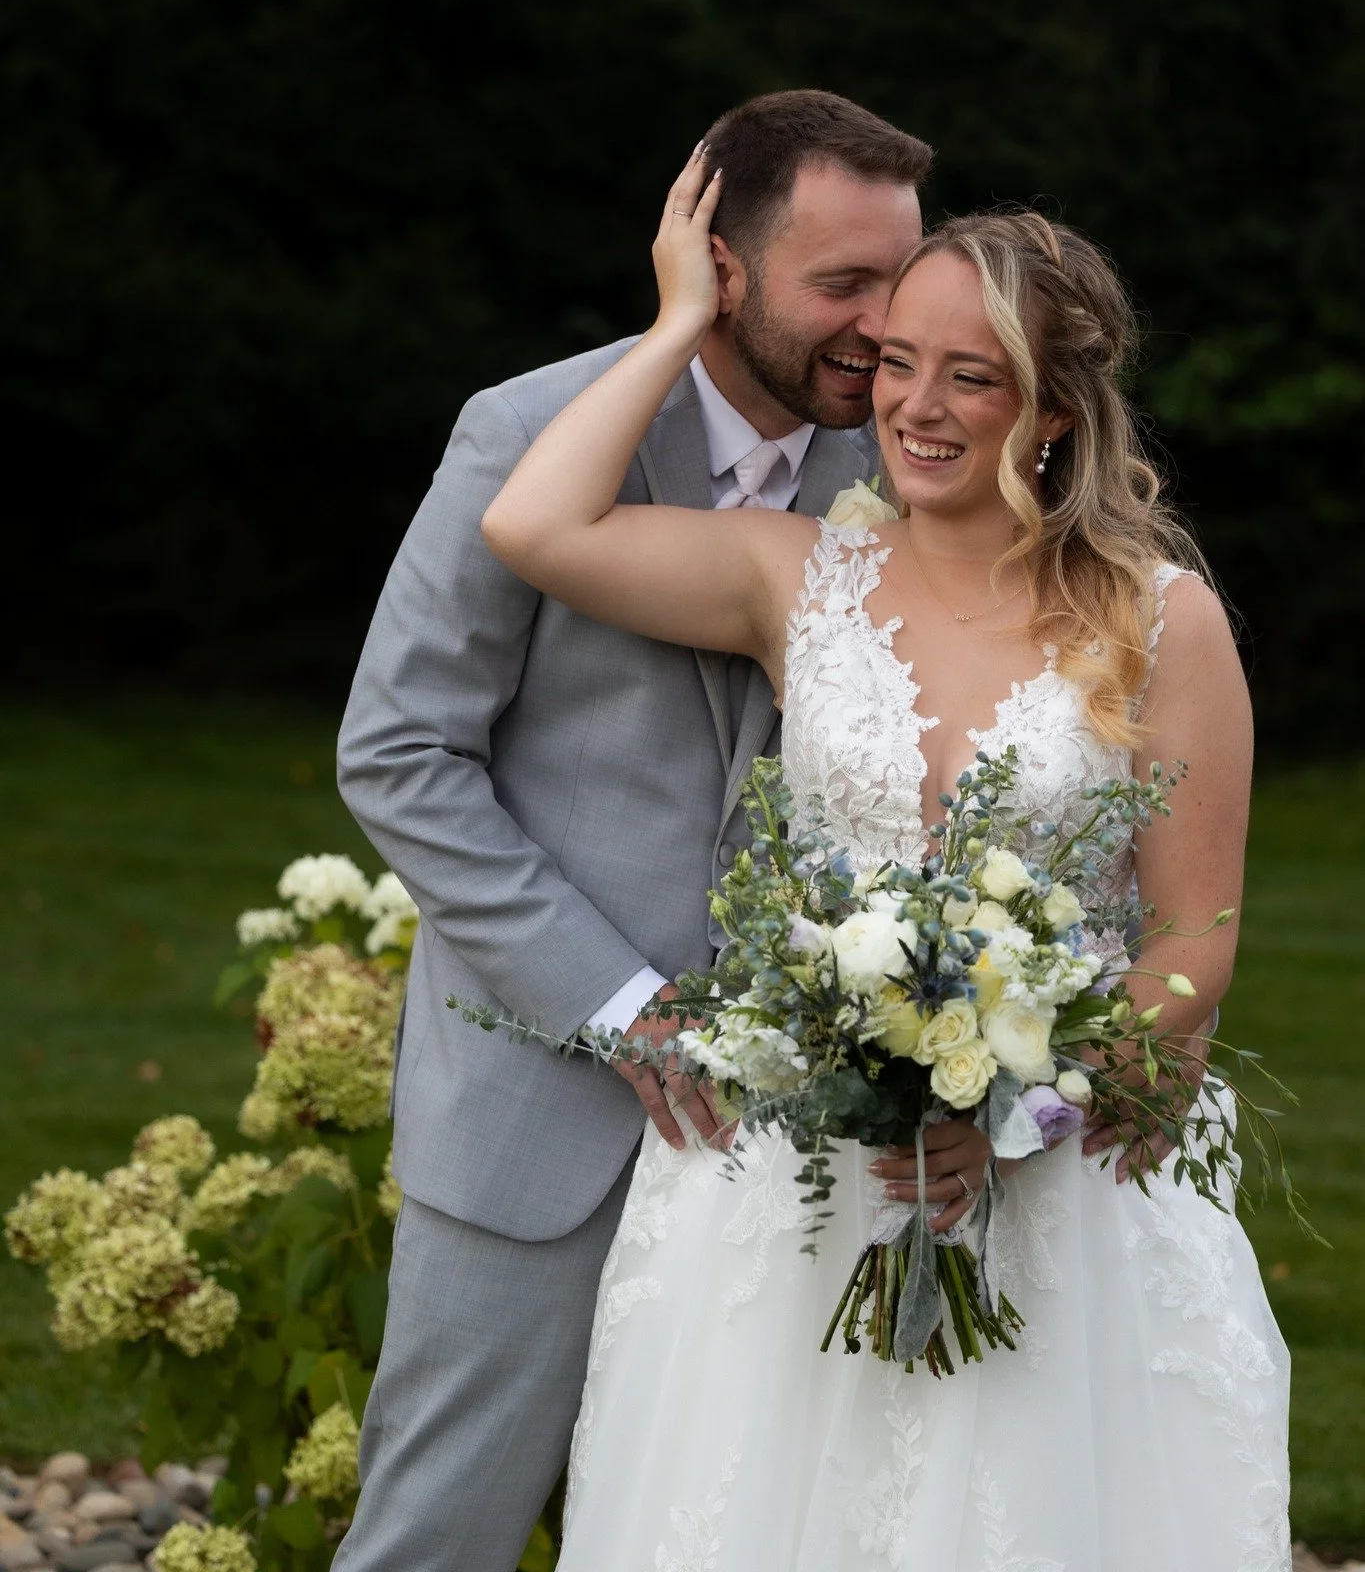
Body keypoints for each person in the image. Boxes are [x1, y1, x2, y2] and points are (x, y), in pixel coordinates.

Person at [480, 158, 1291, 1572]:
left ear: (1050, 410)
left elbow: (1195, 934)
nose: (914, 408)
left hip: (1054, 1200)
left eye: (970, 377)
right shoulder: (796, 579)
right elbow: (533, 525)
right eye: (896, 364)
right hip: (792, 1193)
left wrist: (1022, 1119)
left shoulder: (1162, 623)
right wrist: (677, 325)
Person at [331, 90, 931, 1572]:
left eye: (900, 281)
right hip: (539, 1120)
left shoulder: (913, 476)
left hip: (802, 1146)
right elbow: (400, 754)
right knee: (439, 1536)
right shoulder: (533, 433)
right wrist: (618, 1007)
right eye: (842, 284)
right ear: (719, 266)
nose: (882, 325)